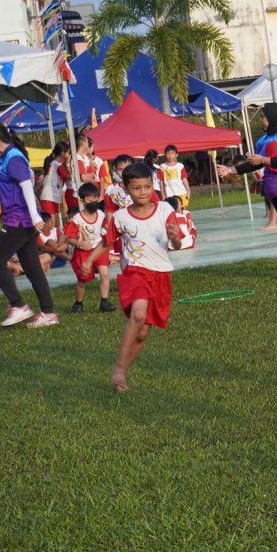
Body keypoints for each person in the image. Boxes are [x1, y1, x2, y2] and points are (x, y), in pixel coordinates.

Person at [82, 162, 183, 392]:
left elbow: (176, 243)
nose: (143, 192)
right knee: (138, 313)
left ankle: (122, 373)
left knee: (143, 332)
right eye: (137, 188)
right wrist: (89, 260)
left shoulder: (166, 210)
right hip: (135, 272)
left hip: (161, 275)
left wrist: (176, 237)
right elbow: (107, 242)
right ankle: (118, 366)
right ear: (126, 189)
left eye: (147, 186)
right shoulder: (120, 217)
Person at [216, 103, 277, 276]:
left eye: (263, 116)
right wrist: (230, 170)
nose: (261, 119)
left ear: (273, 117)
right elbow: (256, 162)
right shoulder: (264, 138)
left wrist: (263, 160)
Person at [0, 121, 58, 327]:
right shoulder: (1, 160)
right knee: (32, 268)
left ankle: (18, 306)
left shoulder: (13, 158)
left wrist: (34, 217)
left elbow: (26, 188)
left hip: (19, 221)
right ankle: (48, 313)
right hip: (22, 222)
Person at [65, 182, 114, 313]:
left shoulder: (101, 214)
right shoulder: (77, 219)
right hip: (83, 252)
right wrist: (79, 243)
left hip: (99, 249)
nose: (93, 200)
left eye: (95, 197)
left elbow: (106, 227)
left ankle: (104, 302)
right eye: (89, 198)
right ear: (82, 200)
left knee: (104, 273)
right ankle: (78, 303)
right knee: (83, 280)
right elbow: (69, 238)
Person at [40, 141, 71, 228]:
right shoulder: (55, 164)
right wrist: (68, 162)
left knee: (56, 224)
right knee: (51, 225)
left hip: (53, 198)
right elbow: (68, 176)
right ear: (62, 153)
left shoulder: (57, 164)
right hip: (49, 197)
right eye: (68, 152)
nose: (69, 155)